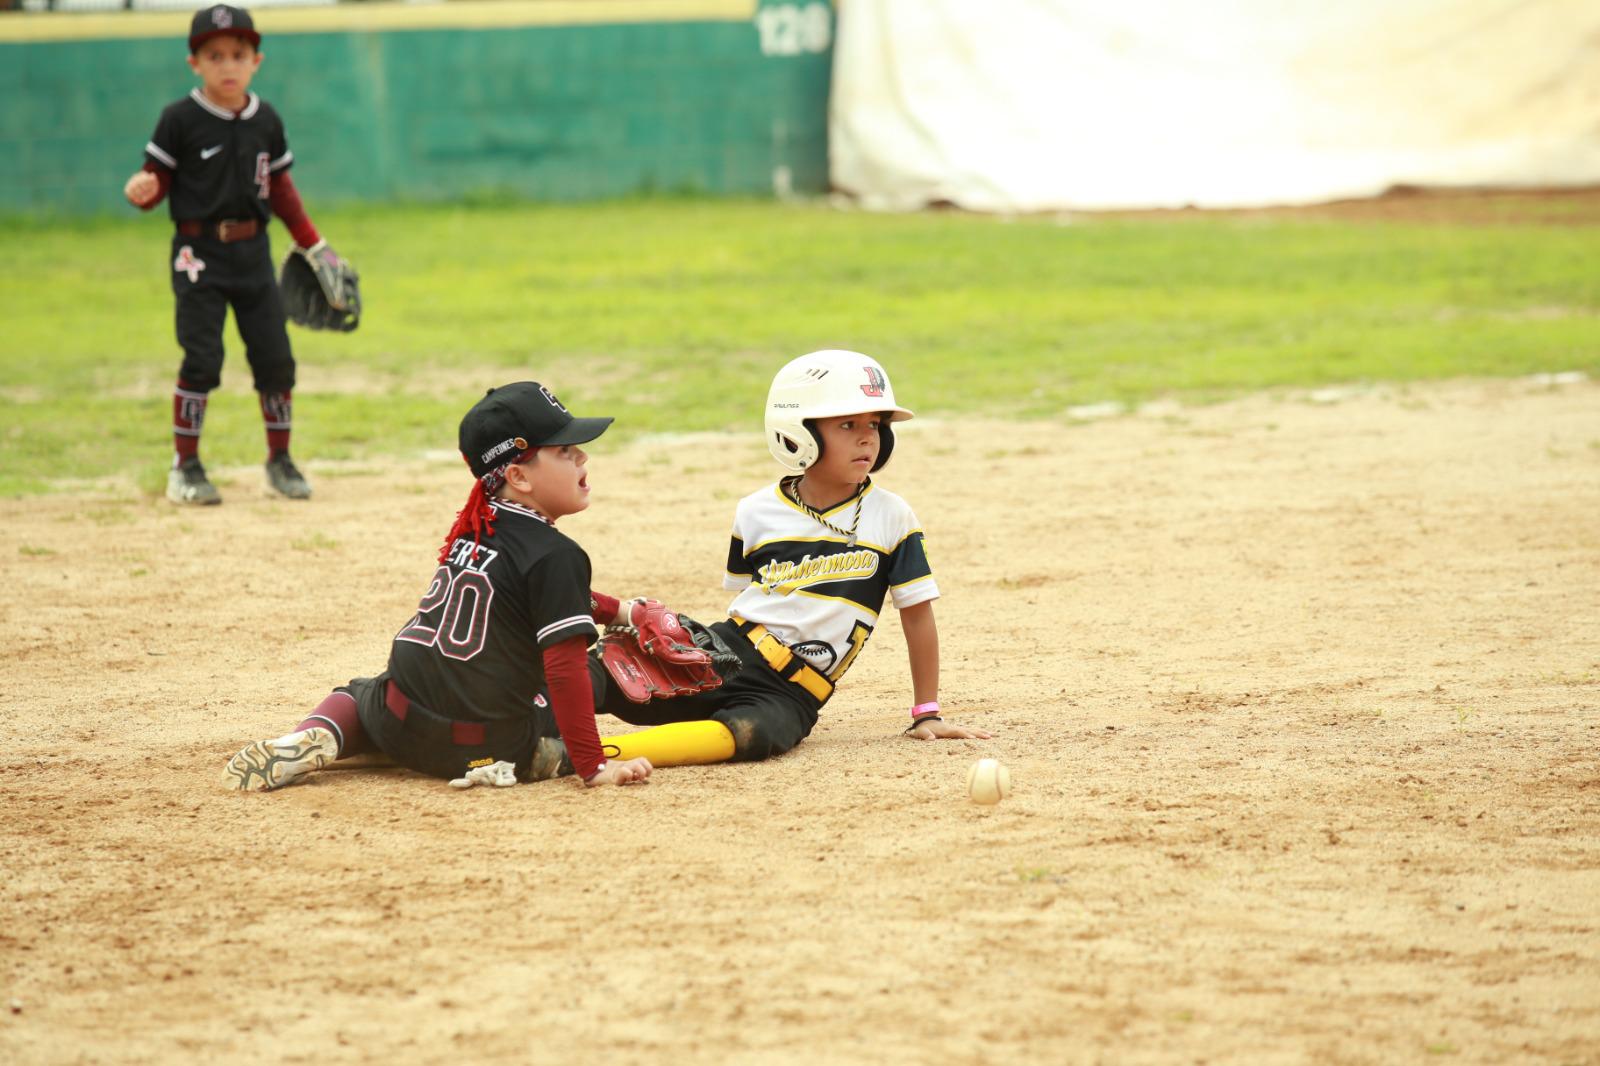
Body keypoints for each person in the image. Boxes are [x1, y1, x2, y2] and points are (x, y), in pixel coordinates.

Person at [220, 382, 656, 791]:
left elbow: (529, 594)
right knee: (579, 676)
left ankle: (315, 734)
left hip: (396, 721)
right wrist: (594, 766)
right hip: (481, 750)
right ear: (519, 478)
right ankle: (542, 756)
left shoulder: (475, 528)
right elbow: (564, 670)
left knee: (358, 693)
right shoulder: (556, 553)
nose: (582, 457)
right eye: (564, 450)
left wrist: (619, 610)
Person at [572, 349, 992, 770]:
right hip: (730, 653)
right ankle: (520, 725)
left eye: (875, 425)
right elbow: (744, 603)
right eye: (847, 424)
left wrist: (927, 712)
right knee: (607, 673)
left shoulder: (892, 517)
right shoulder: (757, 511)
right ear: (799, 432)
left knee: (757, 733)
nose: (868, 438)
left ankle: (573, 757)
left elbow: (917, 615)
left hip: (793, 694)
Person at [123, 5, 343, 505]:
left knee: (275, 358)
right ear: (194, 63)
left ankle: (280, 460)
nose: (227, 64)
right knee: (202, 358)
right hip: (197, 254)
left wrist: (314, 243)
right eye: (214, 55)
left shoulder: (265, 118)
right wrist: (145, 189)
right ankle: (186, 467)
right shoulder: (179, 119)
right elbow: (155, 181)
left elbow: (281, 189)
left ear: (256, 61)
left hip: (254, 254)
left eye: (238, 55)